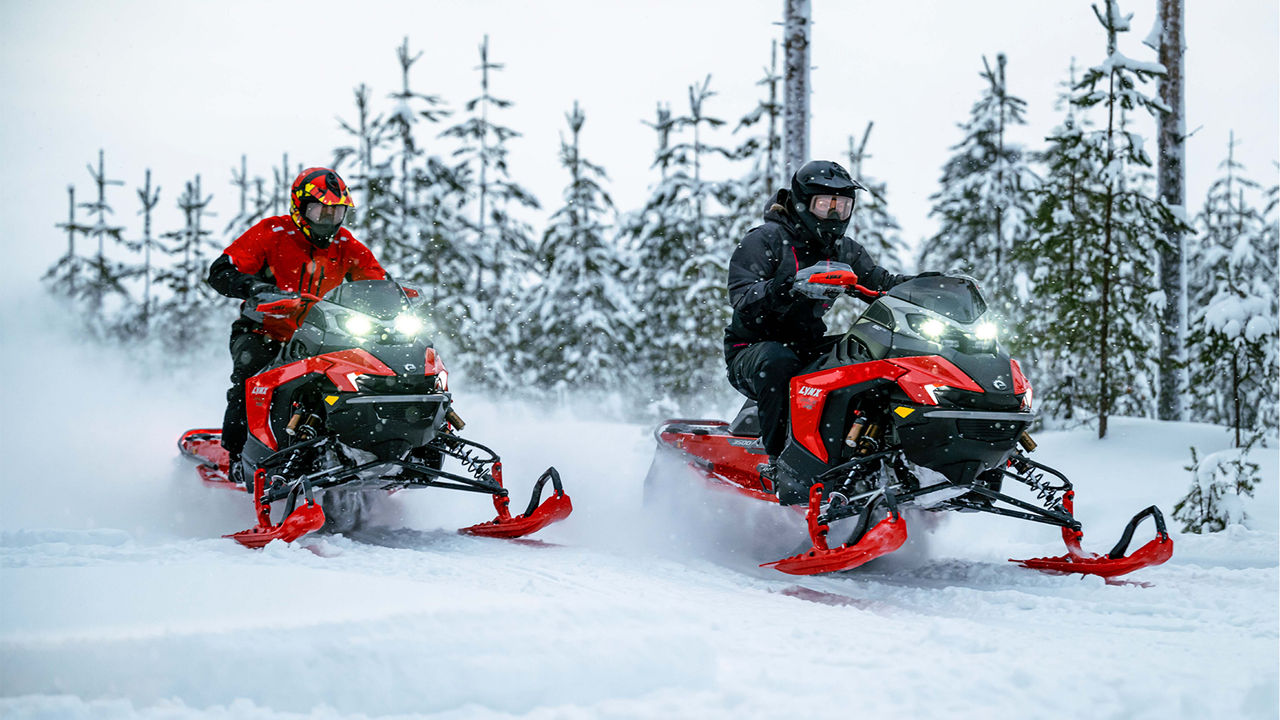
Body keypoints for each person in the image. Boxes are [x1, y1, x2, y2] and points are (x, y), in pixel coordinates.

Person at [724, 160, 910, 501]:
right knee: (778, 360)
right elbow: (742, 295)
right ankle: (781, 465)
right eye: (826, 205)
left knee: (875, 353)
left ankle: (873, 456)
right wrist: (788, 287)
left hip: (807, 345)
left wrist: (928, 286)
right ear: (802, 203)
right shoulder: (765, 239)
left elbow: (882, 283)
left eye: (843, 206)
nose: (835, 214)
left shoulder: (844, 249)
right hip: (751, 350)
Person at [207, 167, 387, 470]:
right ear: (300, 208)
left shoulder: (345, 244)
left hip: (324, 336)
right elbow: (222, 271)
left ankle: (365, 447)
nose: (328, 220)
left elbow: (376, 281)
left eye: (336, 212)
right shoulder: (272, 232)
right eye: (320, 211)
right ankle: (237, 458)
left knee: (367, 374)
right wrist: (255, 288)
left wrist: (393, 300)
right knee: (249, 378)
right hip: (265, 331)